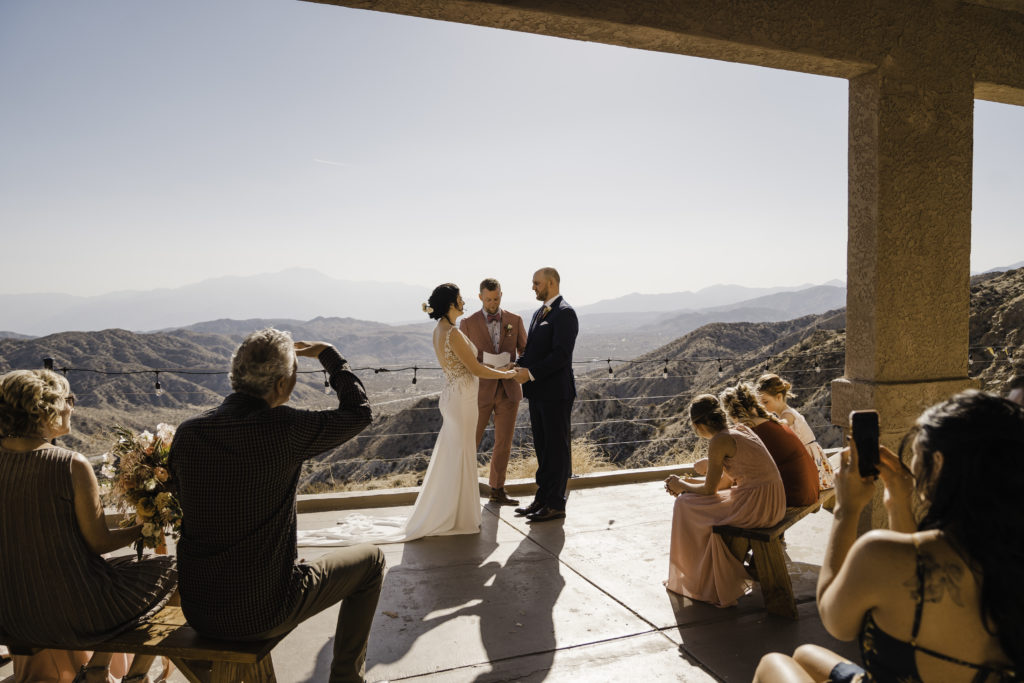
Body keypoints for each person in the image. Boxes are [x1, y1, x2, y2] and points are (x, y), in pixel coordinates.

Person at [754, 390, 1022, 682]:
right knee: (805, 654)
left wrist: (846, 509)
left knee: (773, 663)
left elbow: (836, 622)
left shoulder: (877, 553)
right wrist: (898, 501)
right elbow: (910, 564)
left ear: (940, 463)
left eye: (916, 453)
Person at [168, 329, 384, 683]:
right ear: (282, 385)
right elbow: (359, 413)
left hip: (201, 610)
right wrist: (330, 355)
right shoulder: (284, 428)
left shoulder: (189, 433)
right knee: (371, 562)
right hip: (264, 612)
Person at [0, 369, 177, 683]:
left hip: (11, 614)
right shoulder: (69, 463)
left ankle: (101, 669)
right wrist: (145, 526)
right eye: (68, 399)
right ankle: (128, 674)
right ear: (45, 409)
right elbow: (97, 543)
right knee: (176, 571)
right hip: (74, 613)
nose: (72, 406)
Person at [663, 394, 785, 606]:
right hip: (772, 500)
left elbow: (710, 490)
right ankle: (699, 572)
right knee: (690, 500)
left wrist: (682, 487)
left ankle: (695, 576)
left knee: (685, 506)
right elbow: (725, 484)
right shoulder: (740, 430)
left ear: (698, 425)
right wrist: (688, 489)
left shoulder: (720, 441)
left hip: (757, 505)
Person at [511, 267, 580, 523]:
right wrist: (517, 366)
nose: (533, 287)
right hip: (539, 393)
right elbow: (533, 351)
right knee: (542, 447)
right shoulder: (539, 313)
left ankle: (555, 503)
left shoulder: (565, 313)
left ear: (551, 283)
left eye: (536, 283)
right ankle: (542, 497)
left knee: (556, 449)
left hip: (556, 393)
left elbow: (561, 355)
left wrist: (530, 374)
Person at [459, 278, 528, 506]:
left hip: (508, 389)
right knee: (471, 441)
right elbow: (465, 358)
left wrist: (515, 367)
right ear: (480, 297)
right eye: (488, 299)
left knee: (503, 443)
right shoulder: (467, 323)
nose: (492, 303)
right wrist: (485, 367)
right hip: (480, 390)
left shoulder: (515, 320)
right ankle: (463, 489)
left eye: (496, 298)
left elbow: (525, 350)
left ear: (501, 295)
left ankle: (497, 490)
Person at [719, 382, 819, 507]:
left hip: (795, 495)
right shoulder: (773, 421)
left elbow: (724, 483)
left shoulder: (743, 433)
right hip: (811, 488)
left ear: (730, 414)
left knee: (718, 503)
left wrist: (690, 484)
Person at [756, 373, 835, 490]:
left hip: (809, 460)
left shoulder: (787, 415)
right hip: (807, 455)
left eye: (765, 402)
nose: (762, 406)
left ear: (778, 397)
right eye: (760, 402)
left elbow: (781, 427)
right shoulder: (786, 411)